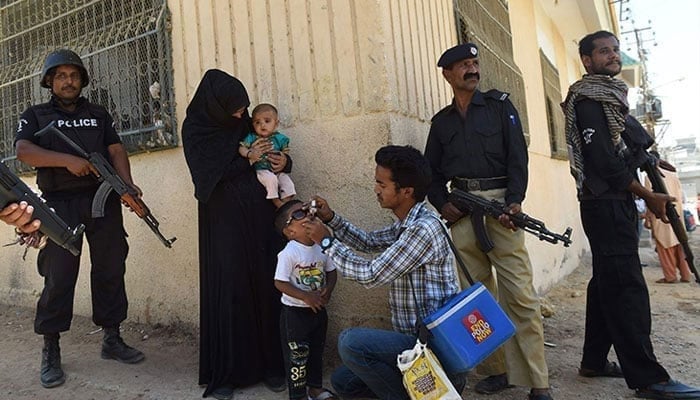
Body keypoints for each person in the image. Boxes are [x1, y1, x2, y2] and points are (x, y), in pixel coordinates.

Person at [562, 30, 700, 399]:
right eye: (603, 51)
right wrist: (647, 196)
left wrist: (651, 160)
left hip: (612, 203)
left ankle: (593, 360)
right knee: (627, 289)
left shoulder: (612, 97)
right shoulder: (589, 98)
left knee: (607, 281)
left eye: (615, 50)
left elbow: (625, 144)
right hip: (605, 204)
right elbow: (605, 161)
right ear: (587, 61)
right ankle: (649, 378)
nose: (612, 55)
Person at [424, 43, 552, 400]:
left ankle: (537, 380)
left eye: (475, 63)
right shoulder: (441, 123)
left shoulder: (500, 107)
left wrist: (514, 202)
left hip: (500, 209)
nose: (472, 69)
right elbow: (429, 172)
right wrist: (442, 203)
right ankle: (496, 370)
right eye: (464, 64)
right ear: (448, 74)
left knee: (521, 296)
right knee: (475, 297)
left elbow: (517, 159)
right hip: (462, 212)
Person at [14, 49, 145, 389]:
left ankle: (112, 337)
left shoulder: (99, 113)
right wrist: (65, 161)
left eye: (73, 75)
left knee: (111, 266)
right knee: (59, 274)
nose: (68, 81)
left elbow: (115, 149)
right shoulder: (36, 114)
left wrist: (126, 186)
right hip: (59, 203)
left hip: (102, 201)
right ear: (49, 81)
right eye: (60, 75)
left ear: (82, 80)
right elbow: (24, 151)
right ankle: (51, 346)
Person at [302, 145, 464, 399]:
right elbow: (367, 241)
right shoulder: (408, 223)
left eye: (382, 184)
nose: (376, 189)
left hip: (433, 350)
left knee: (350, 343)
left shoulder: (422, 229)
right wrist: (330, 218)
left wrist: (326, 242)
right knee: (343, 381)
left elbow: (369, 274)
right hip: (414, 346)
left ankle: (426, 394)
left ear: (406, 191)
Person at [182, 69, 287, 400]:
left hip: (259, 220)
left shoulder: (243, 124)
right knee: (231, 288)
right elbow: (208, 175)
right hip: (223, 221)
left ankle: (272, 366)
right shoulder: (196, 130)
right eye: (236, 109)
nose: (242, 115)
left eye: (244, 108)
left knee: (266, 283)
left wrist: (284, 161)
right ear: (216, 106)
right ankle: (227, 373)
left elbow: (263, 152)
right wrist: (247, 162)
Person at [273, 200, 338, 400]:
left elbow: (332, 271)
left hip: (318, 311)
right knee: (297, 357)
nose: (307, 213)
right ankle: (298, 394)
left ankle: (315, 388)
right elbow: (280, 282)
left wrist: (328, 291)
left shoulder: (322, 246)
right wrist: (305, 296)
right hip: (295, 314)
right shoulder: (289, 253)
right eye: (298, 215)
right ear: (290, 232)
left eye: (306, 209)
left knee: (316, 351)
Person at [642, 158, 692, 283]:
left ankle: (670, 276)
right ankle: (686, 275)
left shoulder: (649, 178)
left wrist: (648, 218)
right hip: (677, 215)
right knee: (680, 245)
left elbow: (650, 200)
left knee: (664, 247)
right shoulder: (673, 175)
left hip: (661, 216)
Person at [239, 103, 296, 208]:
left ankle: (285, 203)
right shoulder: (252, 137)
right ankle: (276, 202)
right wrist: (249, 154)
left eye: (267, 121)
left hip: (276, 170)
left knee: (287, 182)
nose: (262, 125)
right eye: (257, 122)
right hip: (262, 170)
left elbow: (285, 152)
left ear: (276, 123)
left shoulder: (280, 138)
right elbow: (241, 147)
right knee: (271, 180)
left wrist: (283, 161)